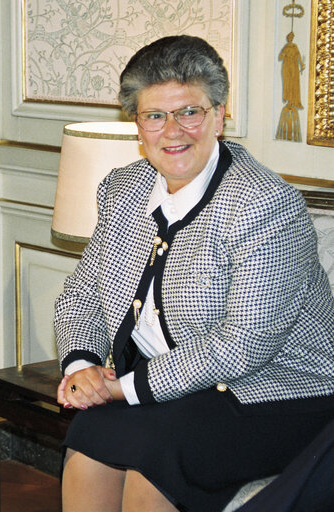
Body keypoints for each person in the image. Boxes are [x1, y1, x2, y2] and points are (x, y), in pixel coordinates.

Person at [54, 35, 334, 512]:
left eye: (190, 111)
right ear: (137, 126)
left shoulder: (264, 204)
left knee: (160, 454)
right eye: (155, 115)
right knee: (90, 431)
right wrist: (81, 368)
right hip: (179, 385)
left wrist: (122, 388)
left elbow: (243, 344)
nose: (172, 131)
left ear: (219, 115)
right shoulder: (123, 189)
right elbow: (82, 292)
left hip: (277, 388)